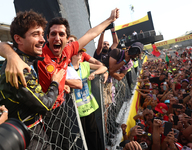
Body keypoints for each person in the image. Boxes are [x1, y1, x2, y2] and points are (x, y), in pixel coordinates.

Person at [0, 8, 119, 149]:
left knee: (68, 142)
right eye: (53, 34)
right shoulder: (39, 54)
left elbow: (90, 34)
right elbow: (6, 45)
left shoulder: (67, 51)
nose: (57, 38)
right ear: (48, 37)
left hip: (62, 108)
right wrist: (11, 55)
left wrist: (110, 20)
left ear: (66, 39)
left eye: (61, 34)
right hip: (43, 115)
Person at [0, 10, 65, 149]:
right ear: (18, 39)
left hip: (30, 132)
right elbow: (46, 104)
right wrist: (55, 82)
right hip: (28, 137)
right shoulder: (19, 68)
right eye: (36, 34)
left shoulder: (25, 59)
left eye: (42, 34)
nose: (42, 39)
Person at [70, 49, 107, 150]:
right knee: (82, 138)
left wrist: (94, 73)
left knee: (93, 134)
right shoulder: (67, 68)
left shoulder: (85, 65)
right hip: (76, 111)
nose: (80, 53)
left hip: (89, 107)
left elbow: (103, 67)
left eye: (81, 51)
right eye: (77, 51)